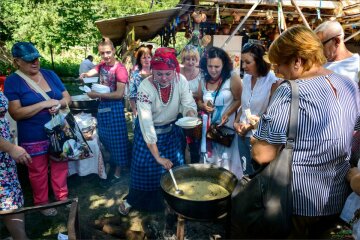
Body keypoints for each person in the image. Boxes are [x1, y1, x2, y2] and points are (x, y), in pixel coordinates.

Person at [251, 25, 360, 238]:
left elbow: (262, 155)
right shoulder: (349, 85)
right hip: (338, 198)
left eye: (279, 65)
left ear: (298, 61)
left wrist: (255, 139)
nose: (277, 72)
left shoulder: (290, 91)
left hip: (297, 201)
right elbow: (355, 134)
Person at [118, 47, 197, 215]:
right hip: (148, 133)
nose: (164, 78)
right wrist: (157, 156)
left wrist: (190, 113)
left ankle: (171, 201)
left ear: (174, 70)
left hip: (171, 131)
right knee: (143, 168)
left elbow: (187, 102)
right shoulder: (145, 88)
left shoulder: (180, 80)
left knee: (173, 167)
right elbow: (146, 124)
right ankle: (133, 199)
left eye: (168, 74)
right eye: (159, 74)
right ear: (152, 70)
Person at [4, 42, 71, 217]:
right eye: (29, 60)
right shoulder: (13, 81)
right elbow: (16, 113)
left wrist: (58, 104)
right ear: (17, 61)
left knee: (60, 164)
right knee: (37, 171)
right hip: (33, 134)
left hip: (57, 130)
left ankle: (62, 197)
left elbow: (67, 98)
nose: (35, 62)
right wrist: (44, 104)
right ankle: (41, 203)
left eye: (36, 58)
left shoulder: (50, 74)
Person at [80, 38, 129, 181]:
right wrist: (85, 75)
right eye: (102, 53)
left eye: (108, 52)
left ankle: (118, 170)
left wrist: (96, 95)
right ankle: (109, 162)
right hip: (102, 107)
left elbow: (119, 94)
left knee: (118, 140)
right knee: (104, 138)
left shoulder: (120, 69)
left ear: (114, 51)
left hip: (115, 108)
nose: (106, 56)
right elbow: (93, 71)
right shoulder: (102, 65)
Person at [233, 43, 278, 175]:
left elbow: (270, 113)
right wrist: (235, 122)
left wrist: (250, 127)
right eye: (243, 62)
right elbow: (244, 105)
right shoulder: (246, 78)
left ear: (259, 62)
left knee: (257, 174)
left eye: (248, 62)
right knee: (245, 170)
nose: (243, 66)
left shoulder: (273, 81)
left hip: (259, 138)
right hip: (241, 133)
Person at [197, 46, 242, 178]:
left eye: (217, 66)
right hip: (208, 132)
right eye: (210, 66)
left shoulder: (232, 78)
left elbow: (239, 99)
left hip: (225, 132)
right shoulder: (203, 79)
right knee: (209, 168)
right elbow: (199, 100)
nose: (213, 70)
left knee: (225, 168)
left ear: (224, 65)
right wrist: (203, 106)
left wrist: (227, 114)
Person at [0, 91, 31, 239]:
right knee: (7, 199)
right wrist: (10, 147)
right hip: (4, 153)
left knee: (11, 200)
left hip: (4, 157)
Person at [180, 44, 202, 163]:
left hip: (195, 111)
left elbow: (201, 95)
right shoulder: (178, 72)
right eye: (188, 59)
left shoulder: (201, 74)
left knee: (194, 142)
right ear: (183, 59)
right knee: (181, 141)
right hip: (179, 111)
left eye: (194, 59)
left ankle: (194, 165)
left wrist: (189, 94)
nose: (191, 62)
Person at [128, 46, 152, 117]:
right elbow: (132, 95)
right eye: (144, 58)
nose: (147, 60)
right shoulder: (135, 75)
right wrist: (135, 112)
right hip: (141, 110)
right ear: (139, 60)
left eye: (149, 57)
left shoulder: (157, 73)